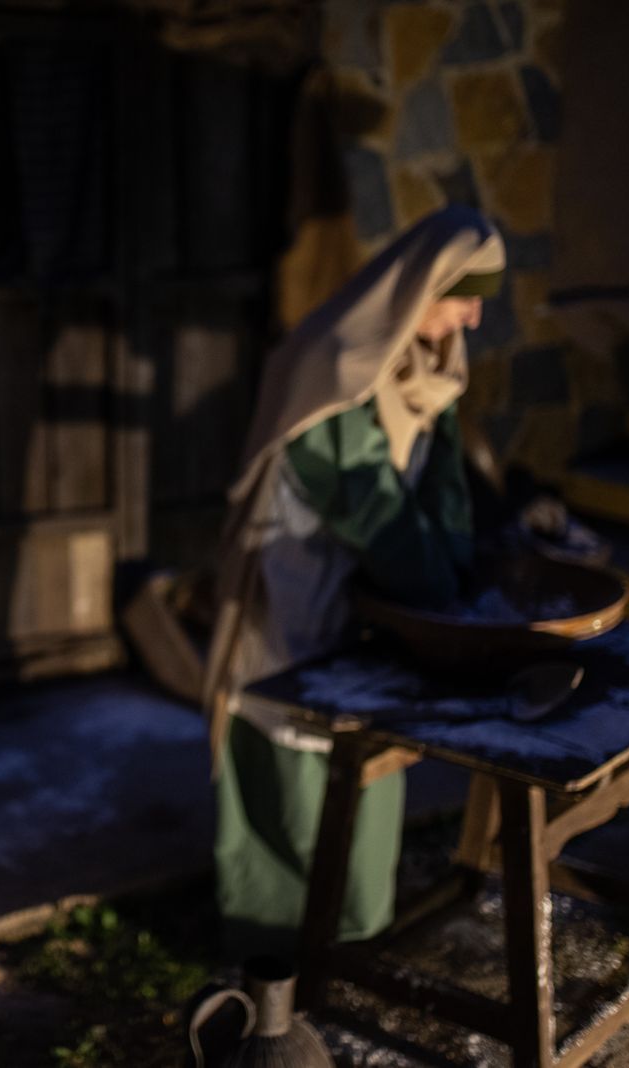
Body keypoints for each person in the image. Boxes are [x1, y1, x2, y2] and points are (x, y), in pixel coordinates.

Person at [202, 205, 505, 957]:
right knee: (295, 805)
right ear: (419, 287)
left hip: (358, 619)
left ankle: (345, 962)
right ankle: (278, 979)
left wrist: (466, 572)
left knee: (358, 806)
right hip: (292, 616)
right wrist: (450, 602)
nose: (470, 319)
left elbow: (443, 488)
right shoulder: (333, 372)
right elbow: (376, 512)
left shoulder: (420, 366)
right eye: (461, 297)